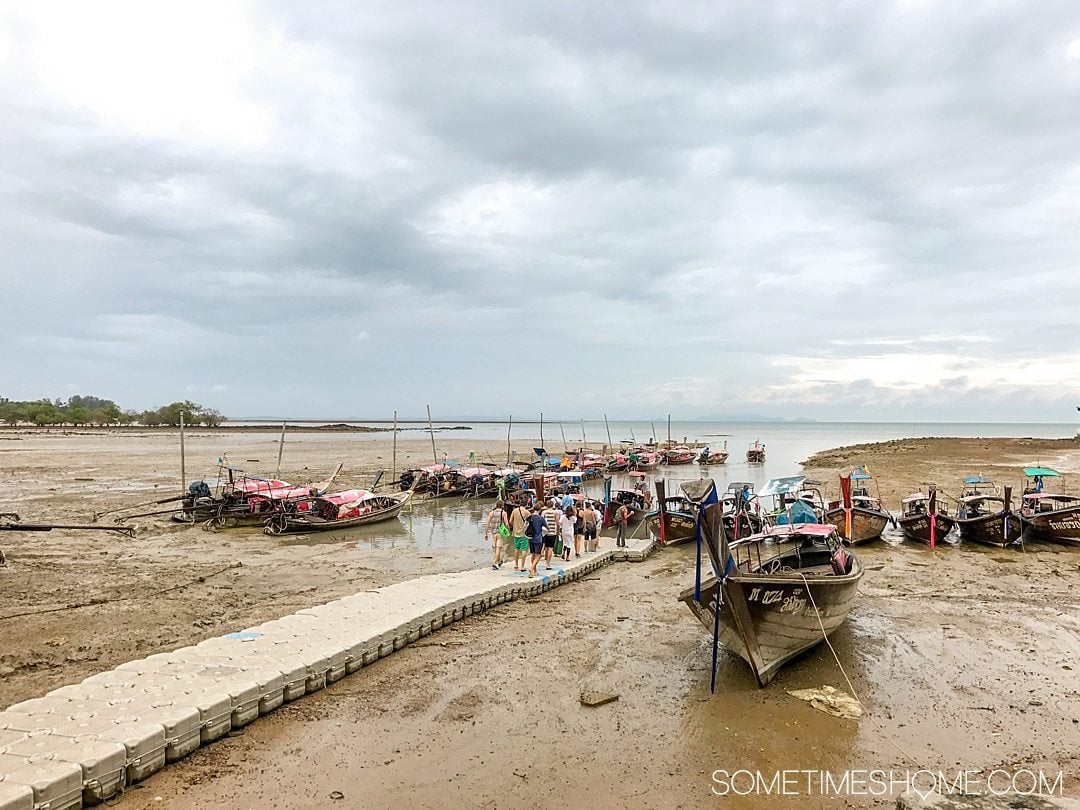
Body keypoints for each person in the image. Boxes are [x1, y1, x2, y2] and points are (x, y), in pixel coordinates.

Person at [485, 500, 510, 569]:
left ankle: (498, 561)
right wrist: (507, 530)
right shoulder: (503, 513)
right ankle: (495, 563)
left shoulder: (491, 513)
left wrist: (486, 533)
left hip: (493, 532)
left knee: (494, 548)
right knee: (499, 548)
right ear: (502, 506)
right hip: (500, 533)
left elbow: (487, 523)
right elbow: (507, 523)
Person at [509, 500, 532, 572]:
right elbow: (530, 522)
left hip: (516, 533)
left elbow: (510, 521)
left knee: (516, 548)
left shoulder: (515, 511)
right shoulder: (527, 512)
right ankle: (522, 566)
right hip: (524, 533)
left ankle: (516, 565)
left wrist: (514, 525)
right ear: (526, 504)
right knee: (524, 550)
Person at [525, 506, 547, 578]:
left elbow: (525, 526)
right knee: (538, 556)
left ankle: (535, 571)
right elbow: (547, 527)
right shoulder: (541, 518)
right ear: (540, 510)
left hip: (530, 538)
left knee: (533, 555)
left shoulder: (530, 517)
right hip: (538, 539)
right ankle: (531, 569)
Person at [541, 500, 561, 570]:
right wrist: (558, 531)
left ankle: (546, 558)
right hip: (552, 532)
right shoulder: (555, 513)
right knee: (550, 548)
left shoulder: (544, 512)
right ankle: (548, 564)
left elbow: (542, 521)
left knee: (546, 546)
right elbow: (557, 523)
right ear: (553, 505)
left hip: (545, 532)